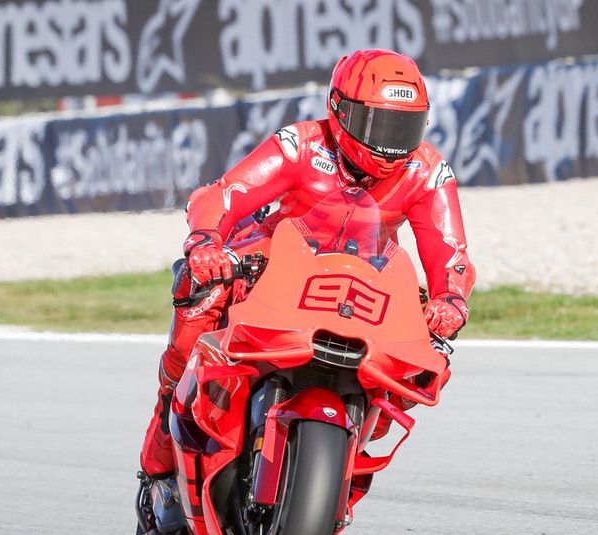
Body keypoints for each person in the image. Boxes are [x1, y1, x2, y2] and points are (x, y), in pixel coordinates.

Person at [139, 49, 476, 478]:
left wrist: (450, 299)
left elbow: (451, 251)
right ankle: (169, 409)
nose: (391, 143)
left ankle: (351, 451)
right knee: (201, 288)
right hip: (274, 259)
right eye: (377, 124)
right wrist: (206, 241)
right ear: (339, 110)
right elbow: (225, 193)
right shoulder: (299, 144)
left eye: (404, 127)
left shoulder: (427, 171)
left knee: (427, 354)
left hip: (364, 276)